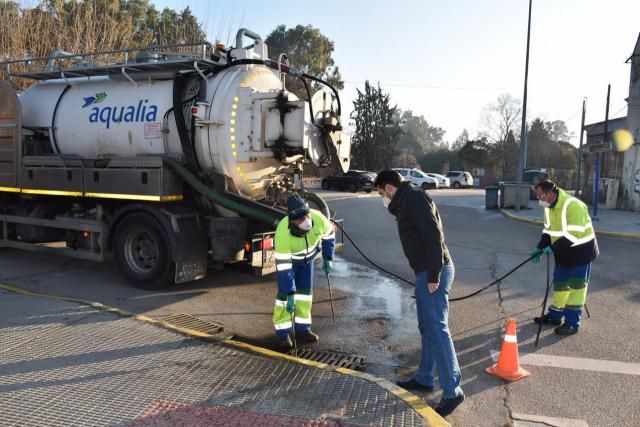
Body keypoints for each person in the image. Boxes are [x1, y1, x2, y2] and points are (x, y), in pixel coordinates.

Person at [373, 170, 464, 418]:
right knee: (427, 327)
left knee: (437, 328)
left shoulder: (413, 198)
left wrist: (433, 275)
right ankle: (424, 378)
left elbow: (433, 235)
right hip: (425, 272)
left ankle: (453, 391)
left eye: (381, 192)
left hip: (434, 271)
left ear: (389, 188)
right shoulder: (405, 203)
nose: (382, 198)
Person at [530, 179, 598, 335]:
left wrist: (551, 249)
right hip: (563, 253)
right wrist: (539, 248)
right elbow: (548, 231)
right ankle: (555, 316)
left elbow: (573, 236)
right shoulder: (549, 207)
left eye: (541, 196)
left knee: (576, 288)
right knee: (560, 286)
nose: (539, 200)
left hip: (581, 253)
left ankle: (572, 324)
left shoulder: (574, 205)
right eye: (538, 196)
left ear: (550, 192)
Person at [272, 194, 335, 349]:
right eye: (300, 219)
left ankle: (303, 329)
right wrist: (290, 292)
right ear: (292, 221)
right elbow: (284, 268)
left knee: (305, 295)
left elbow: (329, 235)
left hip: (308, 262)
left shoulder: (319, 219)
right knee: (285, 298)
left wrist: (328, 257)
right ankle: (283, 333)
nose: (306, 221)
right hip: (290, 264)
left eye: (306, 215)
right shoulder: (282, 233)